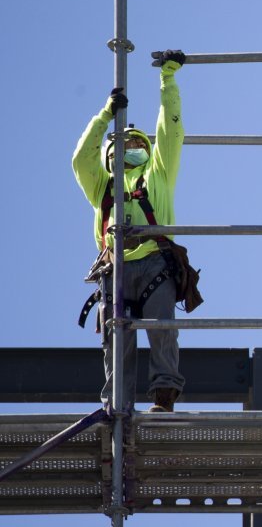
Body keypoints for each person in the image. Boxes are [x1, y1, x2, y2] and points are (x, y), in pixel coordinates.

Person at [73, 50, 187, 413]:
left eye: (138, 144)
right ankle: (117, 405)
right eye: (123, 145)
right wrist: (105, 115)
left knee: (161, 329)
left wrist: (167, 81)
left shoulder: (158, 175)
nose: (131, 149)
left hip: (155, 262)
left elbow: (170, 130)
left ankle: (164, 395)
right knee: (115, 340)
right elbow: (80, 159)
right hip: (116, 267)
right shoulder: (102, 185)